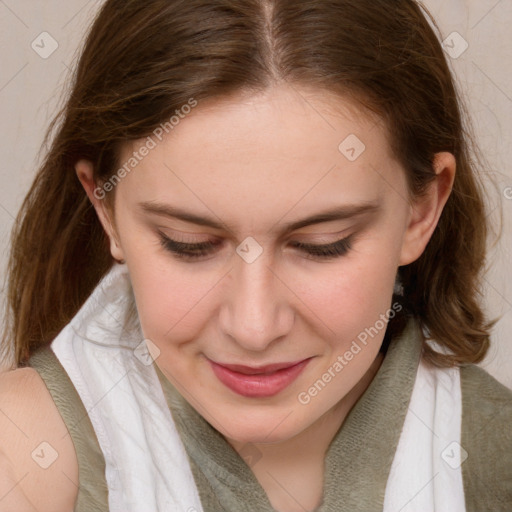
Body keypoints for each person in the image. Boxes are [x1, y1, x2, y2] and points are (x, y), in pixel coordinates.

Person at [0, 0, 511, 511]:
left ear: (422, 209)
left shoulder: (495, 459)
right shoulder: (21, 455)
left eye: (322, 245)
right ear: (105, 208)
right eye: (188, 244)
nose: (254, 327)